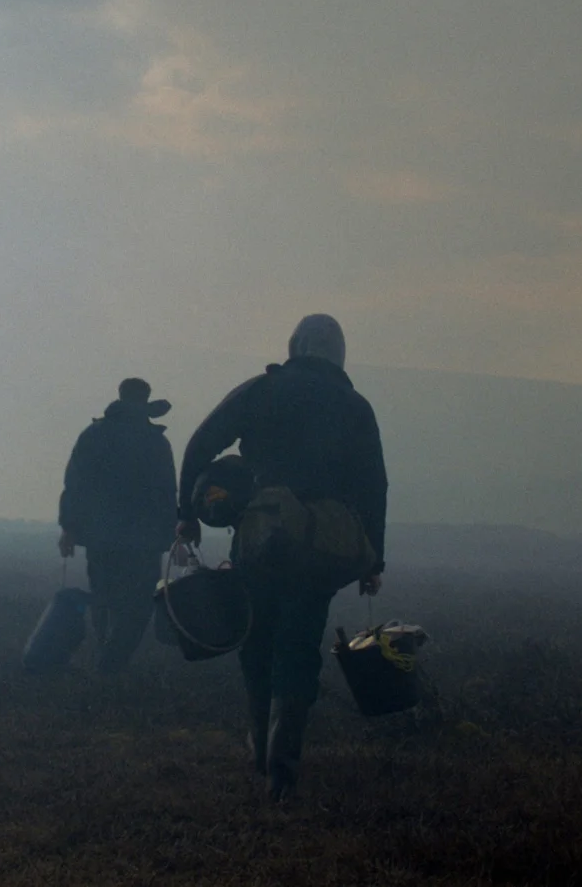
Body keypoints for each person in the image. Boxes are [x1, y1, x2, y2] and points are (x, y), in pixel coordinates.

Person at [176, 314, 387, 801]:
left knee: (257, 642)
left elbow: (200, 444)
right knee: (297, 645)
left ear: (295, 347)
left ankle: (259, 754)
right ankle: (282, 771)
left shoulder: (260, 390)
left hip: (259, 537)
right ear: (339, 353)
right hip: (320, 548)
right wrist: (373, 559)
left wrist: (187, 513)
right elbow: (374, 487)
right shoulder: (356, 407)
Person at [57, 377, 179, 674]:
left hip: (102, 536)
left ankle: (107, 658)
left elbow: (74, 484)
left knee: (104, 598)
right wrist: (174, 534)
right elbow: (168, 492)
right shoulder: (156, 441)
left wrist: (69, 527)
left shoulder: (94, 435)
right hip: (145, 541)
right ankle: (112, 661)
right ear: (145, 398)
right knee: (137, 606)